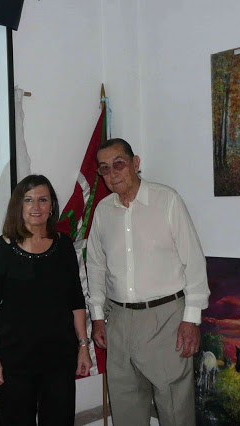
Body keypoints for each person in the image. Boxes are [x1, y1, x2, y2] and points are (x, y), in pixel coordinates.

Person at [87, 138, 210, 426]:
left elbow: (193, 262)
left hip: (166, 318)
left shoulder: (166, 201)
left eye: (119, 163)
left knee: (174, 407)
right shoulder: (103, 212)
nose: (112, 173)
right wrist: (97, 317)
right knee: (125, 404)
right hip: (118, 320)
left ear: (136, 163)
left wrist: (191, 319)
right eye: (104, 168)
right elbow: (95, 265)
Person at [0, 174, 93, 425]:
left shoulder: (63, 246)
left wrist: (83, 346)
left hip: (59, 357)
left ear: (52, 205)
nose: (36, 207)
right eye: (29, 200)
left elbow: (76, 298)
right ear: (19, 206)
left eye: (43, 200)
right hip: (14, 358)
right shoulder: (3, 247)